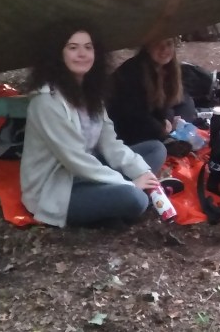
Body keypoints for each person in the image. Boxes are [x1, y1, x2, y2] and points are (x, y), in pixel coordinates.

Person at [19, 22, 167, 228]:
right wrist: (129, 184)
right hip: (57, 186)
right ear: (58, 54)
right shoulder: (47, 102)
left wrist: (142, 172)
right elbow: (75, 160)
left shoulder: (90, 93)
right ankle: (110, 203)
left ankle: (108, 203)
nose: (82, 54)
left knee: (155, 149)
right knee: (136, 199)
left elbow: (110, 143)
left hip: (87, 171)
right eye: (73, 48)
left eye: (88, 47)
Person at [107, 38, 197, 155]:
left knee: (187, 103)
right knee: (158, 149)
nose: (164, 49)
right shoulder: (132, 71)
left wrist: (169, 119)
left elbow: (170, 100)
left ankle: (170, 134)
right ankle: (167, 140)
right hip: (126, 126)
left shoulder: (168, 68)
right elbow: (133, 114)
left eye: (169, 44)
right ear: (147, 48)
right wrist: (161, 128)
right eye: (158, 44)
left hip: (152, 116)